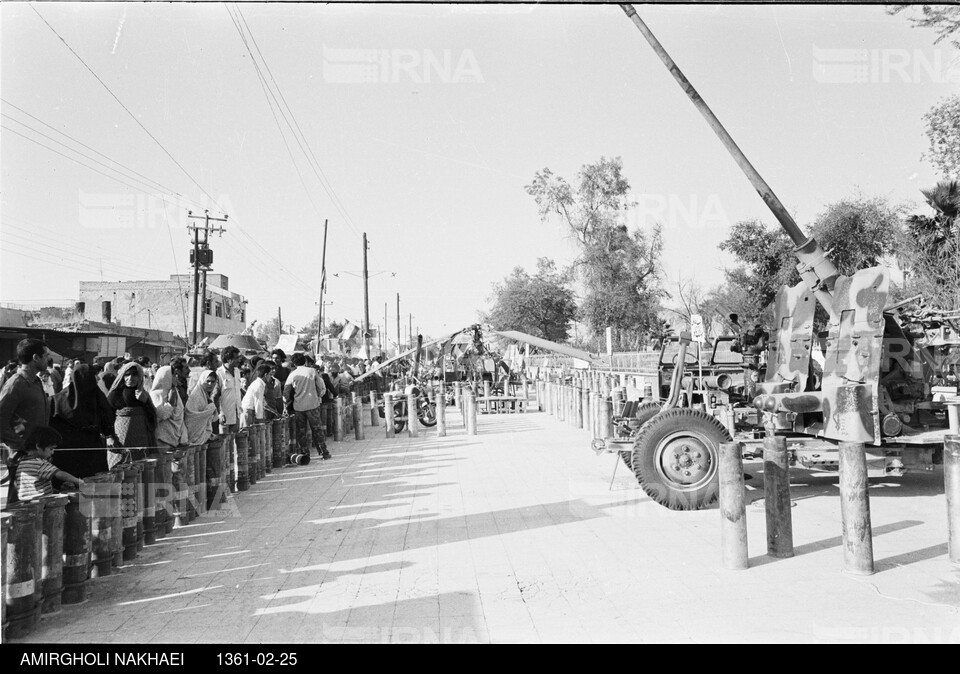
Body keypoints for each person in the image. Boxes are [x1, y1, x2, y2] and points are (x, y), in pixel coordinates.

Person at [49, 363, 118, 478]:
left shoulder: (57, 400)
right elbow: (107, 417)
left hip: (71, 450)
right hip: (86, 449)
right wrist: (110, 435)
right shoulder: (95, 395)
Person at [0, 338, 53, 453]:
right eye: (46, 355)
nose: (49, 359)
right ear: (35, 358)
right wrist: (22, 446)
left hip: (39, 452)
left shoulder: (36, 381)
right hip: (22, 456)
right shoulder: (15, 385)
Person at [7, 426, 82, 503]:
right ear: (38, 446)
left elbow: (36, 488)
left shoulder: (22, 461)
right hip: (40, 505)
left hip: (26, 503)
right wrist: (79, 481)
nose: (52, 452)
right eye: (51, 449)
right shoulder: (39, 463)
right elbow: (60, 474)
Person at [107, 361, 156, 466]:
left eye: (134, 375)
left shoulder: (143, 394)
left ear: (140, 377)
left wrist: (145, 402)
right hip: (120, 437)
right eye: (127, 375)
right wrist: (109, 437)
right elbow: (106, 416)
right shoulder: (115, 395)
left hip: (140, 438)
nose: (130, 378)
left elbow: (152, 417)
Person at [283, 353, 329, 460]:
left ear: (294, 363)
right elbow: (320, 386)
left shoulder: (292, 375)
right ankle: (323, 452)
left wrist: (287, 405)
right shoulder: (312, 371)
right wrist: (317, 395)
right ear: (305, 361)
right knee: (317, 429)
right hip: (313, 405)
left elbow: (286, 392)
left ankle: (305, 453)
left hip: (298, 406)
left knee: (301, 431)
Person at [150, 366, 189, 450]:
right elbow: (159, 416)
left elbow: (179, 415)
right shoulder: (156, 394)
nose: (176, 377)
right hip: (163, 439)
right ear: (166, 376)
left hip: (176, 438)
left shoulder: (174, 391)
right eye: (174, 375)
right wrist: (170, 402)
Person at [184, 368, 218, 446]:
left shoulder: (206, 395)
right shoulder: (197, 394)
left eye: (213, 382)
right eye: (207, 381)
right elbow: (192, 416)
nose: (210, 384)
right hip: (193, 434)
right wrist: (210, 409)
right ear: (202, 381)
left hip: (203, 433)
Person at [217, 346, 244, 434]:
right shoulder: (219, 373)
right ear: (228, 359)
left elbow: (238, 390)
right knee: (225, 443)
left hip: (236, 414)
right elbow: (216, 396)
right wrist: (220, 413)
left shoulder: (237, 371)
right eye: (236, 358)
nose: (238, 360)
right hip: (225, 416)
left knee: (234, 443)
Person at [241, 363, 272, 428]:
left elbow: (263, 402)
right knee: (248, 434)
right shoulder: (259, 385)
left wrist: (275, 412)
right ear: (266, 375)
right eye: (270, 374)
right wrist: (260, 420)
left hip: (249, 411)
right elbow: (258, 403)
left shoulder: (259, 383)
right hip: (248, 411)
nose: (270, 377)